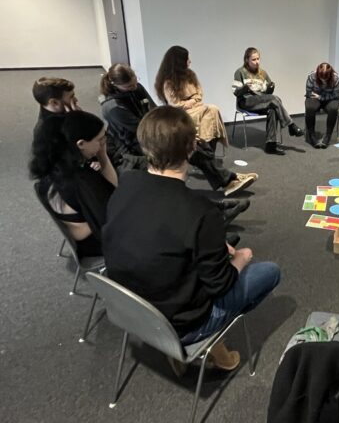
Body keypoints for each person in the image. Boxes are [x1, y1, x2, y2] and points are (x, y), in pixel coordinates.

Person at [102, 106, 281, 371]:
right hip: (181, 324)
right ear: (191, 148)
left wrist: (210, 245)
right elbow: (221, 284)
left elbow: (154, 235)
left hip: (130, 310)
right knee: (270, 272)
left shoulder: (126, 184)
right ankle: (210, 340)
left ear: (145, 145)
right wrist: (243, 259)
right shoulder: (200, 211)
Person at [100, 63, 254, 221]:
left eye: (134, 81)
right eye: (129, 86)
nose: (134, 87)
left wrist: (184, 135)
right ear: (115, 84)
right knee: (174, 174)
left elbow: (156, 111)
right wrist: (175, 138)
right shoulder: (112, 108)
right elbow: (143, 129)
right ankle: (215, 211)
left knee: (192, 145)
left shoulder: (137, 88)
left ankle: (225, 184)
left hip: (151, 138)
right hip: (136, 149)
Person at [30, 111, 117, 258]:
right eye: (100, 139)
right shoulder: (81, 180)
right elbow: (113, 203)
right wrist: (103, 157)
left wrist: (100, 153)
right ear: (81, 144)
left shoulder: (55, 167)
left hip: (80, 235)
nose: (104, 142)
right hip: (96, 243)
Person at [155, 45, 229, 150]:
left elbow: (199, 93)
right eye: (187, 59)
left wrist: (193, 101)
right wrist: (189, 103)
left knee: (213, 109)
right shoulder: (169, 82)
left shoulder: (190, 74)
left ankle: (205, 146)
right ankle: (206, 146)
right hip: (180, 112)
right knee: (211, 112)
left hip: (196, 107)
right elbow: (174, 104)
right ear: (180, 62)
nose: (190, 61)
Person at [232, 47, 304, 155]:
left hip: (261, 101)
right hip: (247, 101)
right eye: (254, 59)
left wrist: (270, 88)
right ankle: (291, 125)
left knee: (273, 109)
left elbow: (267, 93)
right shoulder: (240, 72)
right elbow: (235, 92)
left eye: (258, 59)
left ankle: (271, 145)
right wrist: (244, 89)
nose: (257, 62)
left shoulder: (262, 73)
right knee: (275, 99)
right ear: (247, 60)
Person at [304, 62, 339, 149]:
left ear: (330, 75)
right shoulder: (311, 76)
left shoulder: (336, 78)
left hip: (328, 99)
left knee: (333, 108)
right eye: (321, 78)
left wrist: (320, 97)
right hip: (315, 98)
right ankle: (312, 135)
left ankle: (328, 135)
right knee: (310, 107)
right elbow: (309, 92)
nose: (323, 81)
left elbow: (336, 95)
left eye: (326, 79)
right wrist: (317, 97)